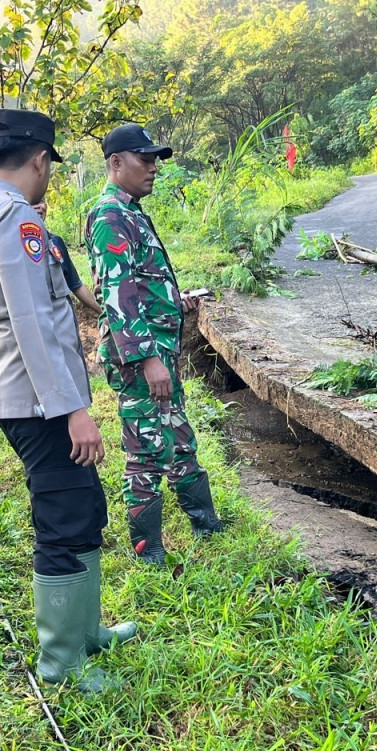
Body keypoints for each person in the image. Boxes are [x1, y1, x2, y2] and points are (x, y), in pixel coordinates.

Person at [0, 108, 135, 690]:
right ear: (39, 159)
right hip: (41, 405)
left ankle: (86, 632)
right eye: (49, 168)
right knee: (63, 519)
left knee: (84, 505)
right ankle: (61, 663)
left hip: (22, 393)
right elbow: (31, 320)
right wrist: (73, 410)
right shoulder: (16, 220)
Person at [84, 123, 224, 565]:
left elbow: (140, 284)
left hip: (158, 352)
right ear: (116, 162)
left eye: (155, 161)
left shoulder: (129, 210)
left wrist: (176, 301)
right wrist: (147, 360)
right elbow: (116, 293)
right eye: (144, 160)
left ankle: (207, 524)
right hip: (140, 359)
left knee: (179, 439)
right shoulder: (109, 215)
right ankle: (149, 552)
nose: (153, 169)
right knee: (146, 451)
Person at [33, 200, 99, 315]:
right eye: (32, 201)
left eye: (41, 200)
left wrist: (104, 312)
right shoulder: (12, 247)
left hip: (62, 327)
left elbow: (76, 285)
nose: (38, 206)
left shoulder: (55, 242)